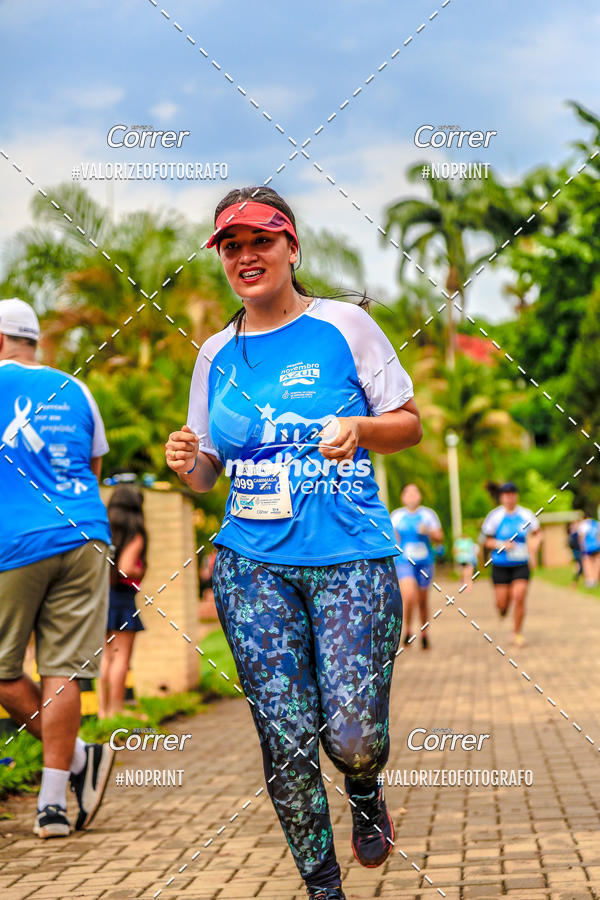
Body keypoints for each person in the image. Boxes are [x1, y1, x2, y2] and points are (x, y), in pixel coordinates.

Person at [165, 187, 422, 900]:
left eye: (261, 242)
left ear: (291, 246)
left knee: (352, 737)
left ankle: (365, 791)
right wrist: (190, 463)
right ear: (222, 258)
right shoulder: (216, 353)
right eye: (232, 246)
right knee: (283, 739)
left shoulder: (345, 327)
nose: (247, 257)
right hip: (252, 568)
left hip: (350, 558)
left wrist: (362, 431)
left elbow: (409, 423)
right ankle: (322, 886)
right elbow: (209, 471)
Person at [0, 298, 115, 838]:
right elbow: (93, 469)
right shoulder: (77, 388)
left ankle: (74, 763)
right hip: (84, 532)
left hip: (15, 543)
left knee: (3, 668)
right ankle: (53, 805)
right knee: (62, 669)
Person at [98, 485, 147, 718]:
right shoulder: (135, 535)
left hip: (103, 597)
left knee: (106, 657)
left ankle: (103, 711)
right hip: (123, 600)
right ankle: (116, 709)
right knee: (120, 658)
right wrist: (140, 571)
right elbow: (126, 568)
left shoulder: (105, 531)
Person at [480, 482, 542, 647]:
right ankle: (502, 609)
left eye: (512, 494)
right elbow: (486, 541)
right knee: (502, 603)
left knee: (519, 596)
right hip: (501, 564)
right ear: (501, 497)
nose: (509, 498)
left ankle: (517, 633)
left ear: (516, 496)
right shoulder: (495, 516)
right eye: (506, 495)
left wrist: (534, 547)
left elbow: (537, 534)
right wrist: (501, 544)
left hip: (521, 563)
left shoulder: (526, 515)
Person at [390, 485, 443, 649]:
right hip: (404, 561)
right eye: (408, 493)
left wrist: (427, 531)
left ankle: (424, 633)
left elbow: (440, 537)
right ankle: (407, 630)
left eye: (415, 492)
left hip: (424, 561)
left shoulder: (428, 514)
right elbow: (391, 538)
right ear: (403, 497)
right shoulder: (397, 516)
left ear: (419, 496)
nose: (412, 496)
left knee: (422, 599)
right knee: (409, 596)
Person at [577, 513, 600, 588]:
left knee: (587, 563)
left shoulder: (583, 524)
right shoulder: (596, 523)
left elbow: (581, 537)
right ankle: (596, 579)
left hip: (588, 547)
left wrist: (581, 546)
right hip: (596, 546)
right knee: (596, 563)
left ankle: (590, 580)